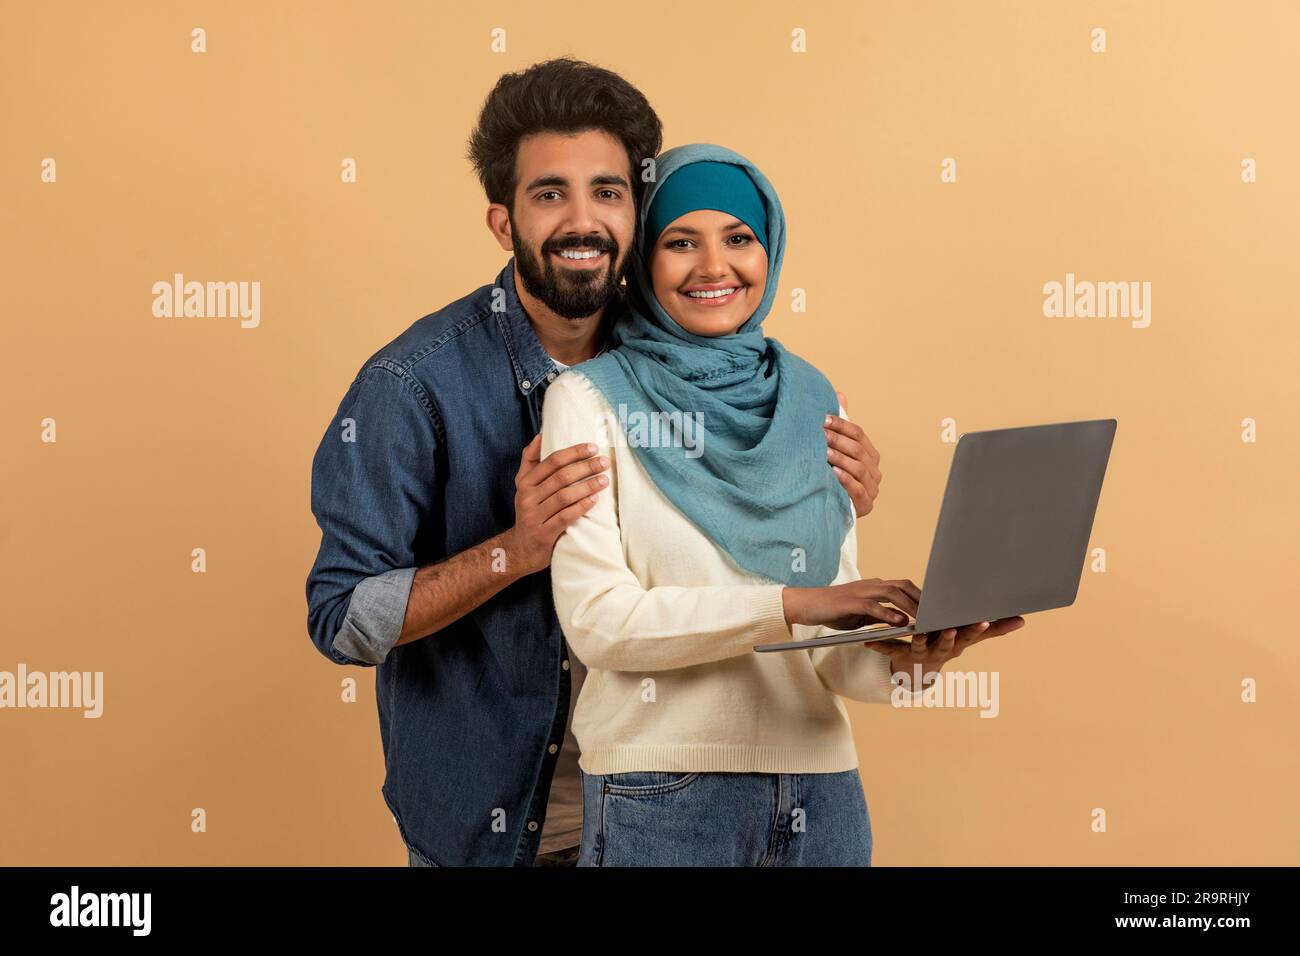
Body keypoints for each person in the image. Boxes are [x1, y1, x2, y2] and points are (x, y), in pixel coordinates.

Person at [304, 61, 888, 867]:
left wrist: (821, 490)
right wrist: (516, 548)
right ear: (503, 223)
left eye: (608, 192)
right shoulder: (412, 386)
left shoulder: (687, 348)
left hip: (674, 802)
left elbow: (757, 539)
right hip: (497, 823)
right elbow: (343, 619)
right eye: (550, 194)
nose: (583, 221)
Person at [540, 144, 1025, 867]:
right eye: (680, 242)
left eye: (739, 239)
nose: (714, 267)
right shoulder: (587, 400)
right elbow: (600, 624)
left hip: (822, 792)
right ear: (642, 259)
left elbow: (828, 661)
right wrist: (799, 603)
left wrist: (916, 659)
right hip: (662, 794)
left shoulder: (812, 396)